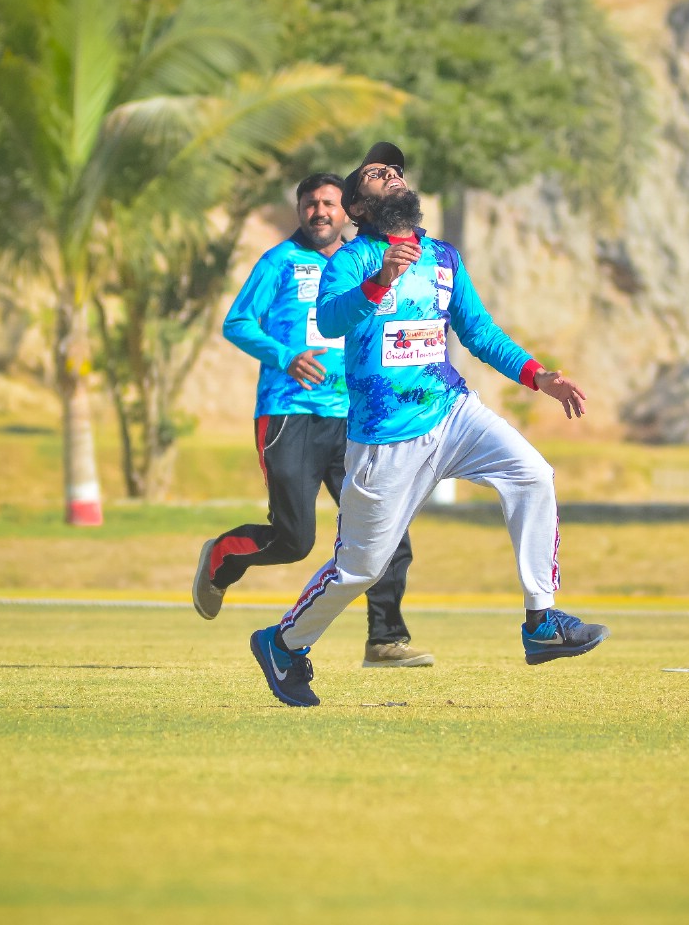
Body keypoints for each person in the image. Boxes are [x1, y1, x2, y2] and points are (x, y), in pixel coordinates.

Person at [248, 142, 608, 707]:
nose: (391, 174)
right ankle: (284, 644)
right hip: (384, 437)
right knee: (361, 569)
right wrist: (379, 280)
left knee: (533, 474)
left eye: (394, 169)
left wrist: (539, 377)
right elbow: (330, 319)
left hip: (452, 411)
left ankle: (541, 621)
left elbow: (480, 333)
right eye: (375, 173)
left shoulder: (442, 257)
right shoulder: (353, 259)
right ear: (358, 207)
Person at [194, 172, 434, 669]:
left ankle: (385, 639)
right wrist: (285, 356)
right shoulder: (279, 262)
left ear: (348, 210)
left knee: (385, 526)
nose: (319, 212)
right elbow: (237, 323)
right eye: (309, 203)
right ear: (299, 210)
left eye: (328, 203)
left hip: (356, 419)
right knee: (294, 540)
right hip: (289, 414)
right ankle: (221, 557)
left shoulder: (364, 260)